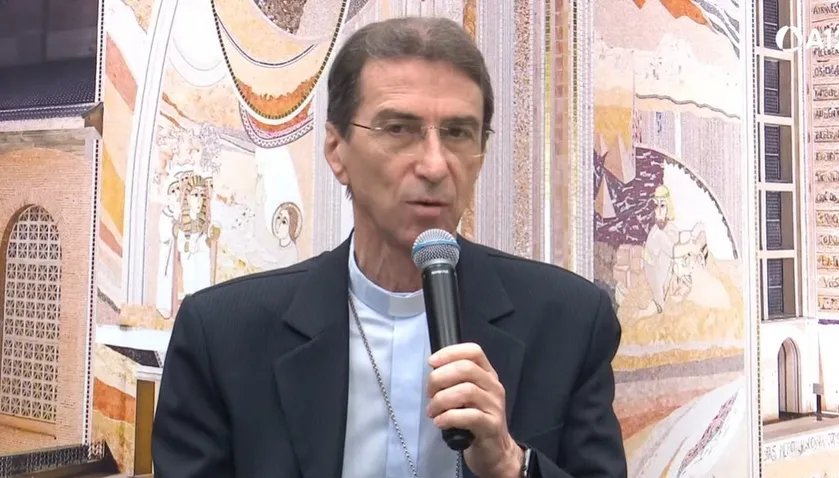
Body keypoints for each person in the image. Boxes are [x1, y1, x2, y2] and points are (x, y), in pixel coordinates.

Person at [151, 16, 627, 478]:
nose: (435, 165)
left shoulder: (569, 323)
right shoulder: (223, 336)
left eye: (458, 133)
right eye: (399, 129)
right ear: (336, 151)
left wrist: (510, 464)